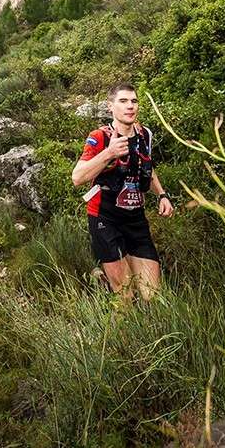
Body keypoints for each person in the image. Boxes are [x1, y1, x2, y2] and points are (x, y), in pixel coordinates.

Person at [72, 82, 174, 300]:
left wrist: (162, 195)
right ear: (111, 106)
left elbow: (146, 168)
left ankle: (106, 277)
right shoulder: (100, 137)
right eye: (123, 101)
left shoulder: (145, 134)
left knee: (152, 295)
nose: (130, 106)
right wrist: (109, 154)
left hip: (136, 220)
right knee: (126, 296)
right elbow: (78, 177)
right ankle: (110, 287)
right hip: (105, 219)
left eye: (134, 101)